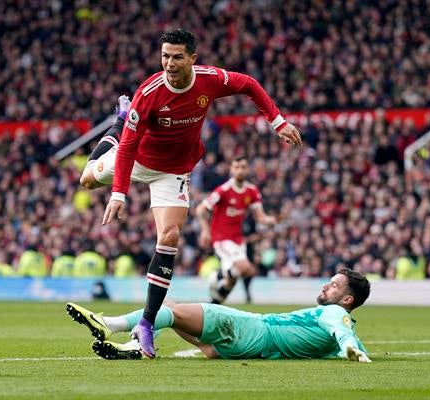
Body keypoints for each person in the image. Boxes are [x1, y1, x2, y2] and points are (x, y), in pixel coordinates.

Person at [80, 29, 302, 358]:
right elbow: (127, 148)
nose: (169, 63)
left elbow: (249, 85)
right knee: (86, 179)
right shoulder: (150, 92)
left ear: (192, 59)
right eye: (165, 56)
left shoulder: (209, 80)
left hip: (174, 171)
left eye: (177, 56)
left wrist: (277, 121)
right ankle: (119, 120)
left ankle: (146, 323)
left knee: (169, 237)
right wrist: (119, 194)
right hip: (138, 159)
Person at [66, 268, 371, 362]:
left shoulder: (334, 313)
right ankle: (134, 344)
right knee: (173, 313)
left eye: (333, 285)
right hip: (246, 349)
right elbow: (347, 340)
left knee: (169, 308)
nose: (325, 286)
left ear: (346, 299)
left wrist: (349, 346)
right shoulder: (341, 328)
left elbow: (341, 330)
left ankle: (110, 325)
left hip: (251, 330)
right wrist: (354, 351)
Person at [195, 155, 277, 304]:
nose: (240, 170)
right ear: (231, 170)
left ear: (248, 170)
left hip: (238, 239)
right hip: (221, 238)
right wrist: (205, 231)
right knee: (245, 269)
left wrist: (269, 220)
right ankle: (217, 276)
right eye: (237, 167)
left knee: (233, 280)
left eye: (243, 167)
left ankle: (213, 306)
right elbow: (201, 209)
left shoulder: (252, 191)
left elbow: (260, 216)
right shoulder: (223, 190)